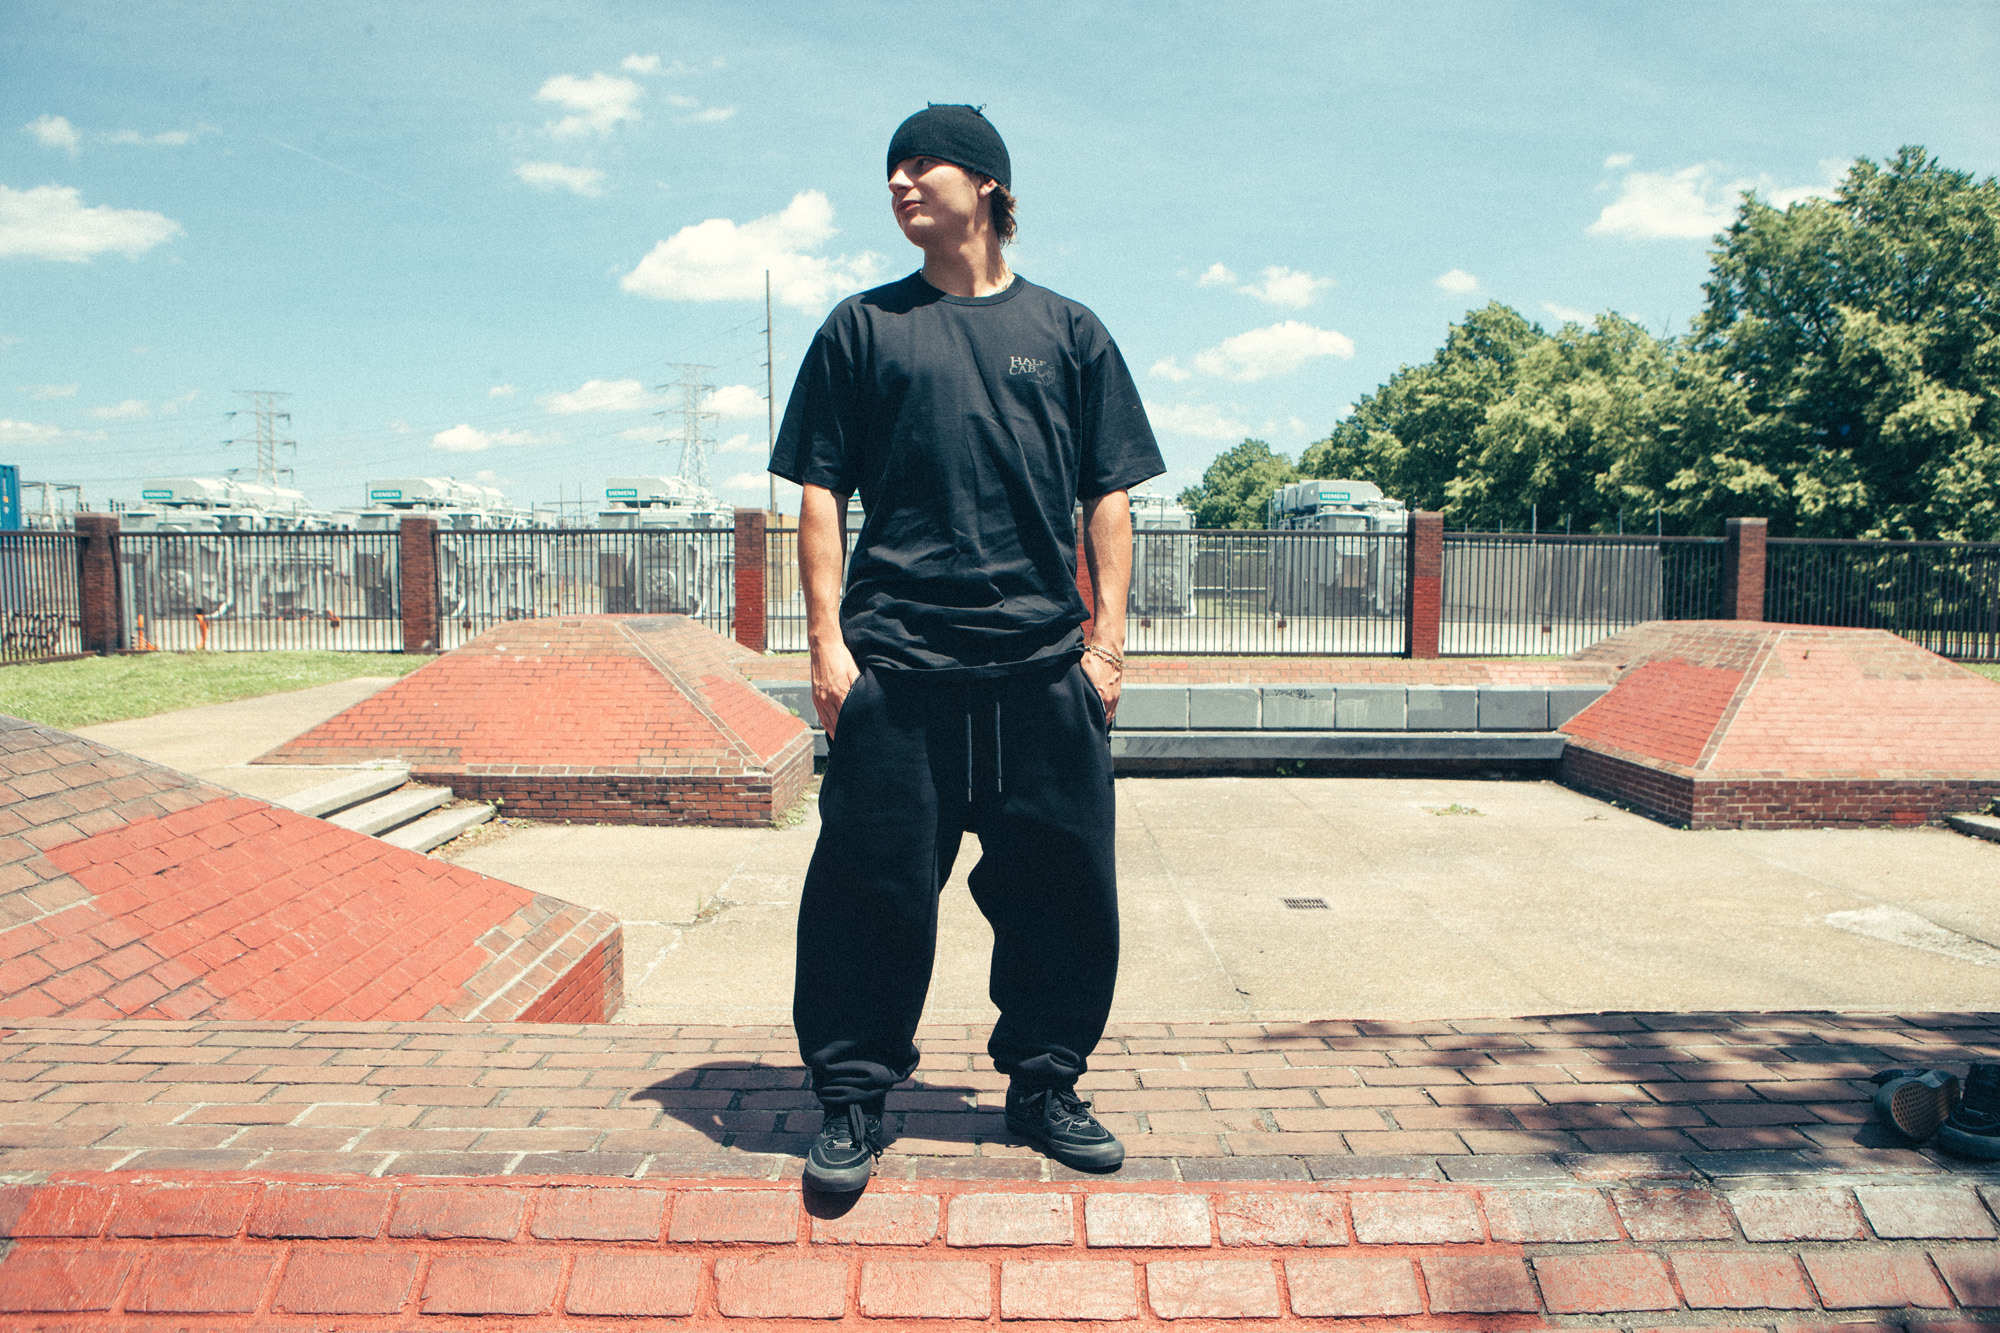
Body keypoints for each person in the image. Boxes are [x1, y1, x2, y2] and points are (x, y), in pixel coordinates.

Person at [768, 104, 1164, 1192]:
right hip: (899, 669)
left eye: (921, 163)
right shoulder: (862, 328)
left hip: (1042, 670)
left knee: (1063, 896)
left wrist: (1107, 647)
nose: (899, 183)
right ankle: (852, 1097)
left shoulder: (1069, 330)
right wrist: (826, 648)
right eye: (889, 169)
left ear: (986, 182)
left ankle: (1044, 1084)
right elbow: (817, 492)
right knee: (868, 895)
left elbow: (1109, 494)